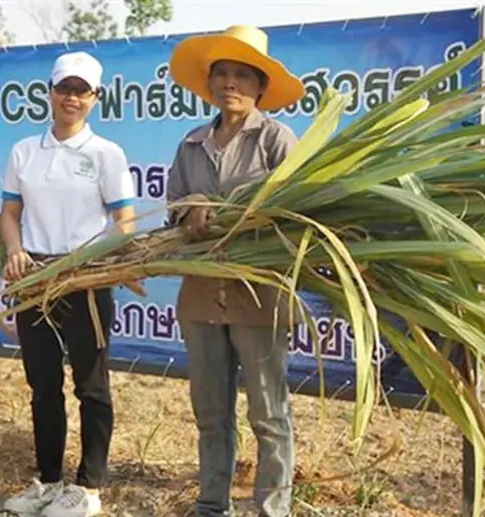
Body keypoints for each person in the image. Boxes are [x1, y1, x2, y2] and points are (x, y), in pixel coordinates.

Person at [165, 26, 306, 517]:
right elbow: (173, 206)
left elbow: (295, 209)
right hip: (202, 295)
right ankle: (211, 505)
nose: (231, 83)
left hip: (258, 296)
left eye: (242, 75)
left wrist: (230, 210)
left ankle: (273, 509)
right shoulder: (191, 143)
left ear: (261, 86)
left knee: (268, 412)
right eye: (221, 74)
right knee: (211, 413)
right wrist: (191, 207)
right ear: (209, 84)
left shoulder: (276, 139)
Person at [0, 51, 135, 517]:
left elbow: (124, 222)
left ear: (96, 98)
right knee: (43, 385)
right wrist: (15, 250)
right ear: (50, 92)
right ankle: (49, 482)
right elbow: (10, 213)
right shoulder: (24, 152)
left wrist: (84, 261)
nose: (72, 98)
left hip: (86, 280)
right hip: (34, 278)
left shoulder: (106, 154)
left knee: (91, 385)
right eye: (65, 88)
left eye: (83, 91)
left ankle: (89, 489)